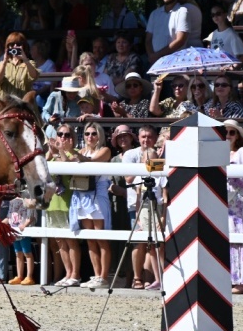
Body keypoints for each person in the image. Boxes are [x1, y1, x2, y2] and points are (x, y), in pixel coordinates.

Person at [66, 122, 112, 289]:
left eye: (93, 133)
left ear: (99, 135)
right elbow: (68, 163)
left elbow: (91, 163)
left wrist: (72, 152)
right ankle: (96, 274)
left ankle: (104, 277)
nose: (90, 137)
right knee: (90, 239)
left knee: (101, 238)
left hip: (97, 196)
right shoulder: (82, 151)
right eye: (87, 134)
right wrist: (61, 150)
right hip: (82, 196)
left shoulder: (105, 151)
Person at [123, 125, 163, 290]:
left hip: (156, 205)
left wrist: (155, 162)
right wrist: (142, 166)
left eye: (149, 137)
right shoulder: (130, 154)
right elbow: (128, 179)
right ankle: (137, 278)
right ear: (138, 138)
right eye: (143, 137)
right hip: (137, 205)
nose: (146, 140)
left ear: (154, 138)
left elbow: (161, 185)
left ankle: (151, 278)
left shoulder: (159, 157)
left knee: (154, 243)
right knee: (138, 242)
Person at [46, 125, 80, 286]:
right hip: (53, 203)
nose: (63, 137)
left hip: (68, 202)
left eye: (67, 134)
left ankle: (75, 274)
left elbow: (66, 167)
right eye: (60, 134)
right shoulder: (53, 155)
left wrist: (59, 150)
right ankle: (67, 273)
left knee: (71, 240)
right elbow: (42, 168)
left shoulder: (74, 154)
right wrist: (50, 150)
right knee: (60, 241)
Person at [223, 119, 243, 294]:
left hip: (238, 203)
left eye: (231, 132)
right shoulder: (216, 154)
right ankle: (228, 280)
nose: (227, 136)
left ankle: (242, 282)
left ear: (237, 136)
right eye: (224, 132)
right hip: (222, 201)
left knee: (240, 241)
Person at [145, 0, 190, 64]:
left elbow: (180, 40)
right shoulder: (154, 14)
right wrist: (151, 56)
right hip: (156, 63)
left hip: (175, 62)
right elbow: (148, 40)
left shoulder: (182, 11)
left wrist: (158, 55)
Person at [0, 31, 39, 101]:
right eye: (12, 44)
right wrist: (4, 61)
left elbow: (34, 76)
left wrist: (25, 59)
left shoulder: (30, 63)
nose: (15, 47)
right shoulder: (1, 64)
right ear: (8, 47)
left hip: (23, 104)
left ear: (24, 46)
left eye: (19, 44)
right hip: (6, 104)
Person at [5, 196, 35, 286]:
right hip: (15, 231)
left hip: (24, 231)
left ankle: (29, 276)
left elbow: (31, 216)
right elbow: (9, 217)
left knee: (27, 253)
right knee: (18, 253)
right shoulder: (12, 201)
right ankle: (19, 276)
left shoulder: (28, 200)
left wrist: (25, 225)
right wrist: (0, 224)